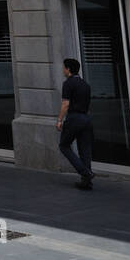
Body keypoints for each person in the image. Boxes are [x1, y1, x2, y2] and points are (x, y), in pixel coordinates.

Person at [57, 57, 95, 190]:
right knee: (85, 150)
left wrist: (59, 120)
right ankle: (86, 182)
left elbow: (65, 104)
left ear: (68, 69)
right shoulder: (85, 84)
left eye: (64, 68)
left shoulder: (68, 83)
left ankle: (85, 172)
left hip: (74, 118)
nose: (63, 70)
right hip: (86, 119)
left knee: (64, 146)